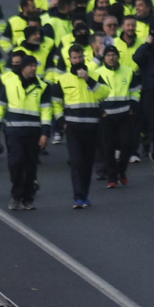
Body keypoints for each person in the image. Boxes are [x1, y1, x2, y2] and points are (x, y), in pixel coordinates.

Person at [0, 54, 50, 211]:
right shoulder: (9, 84)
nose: (34, 68)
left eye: (35, 66)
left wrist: (45, 133)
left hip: (33, 132)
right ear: (23, 67)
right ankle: (16, 195)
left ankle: (28, 199)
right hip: (14, 131)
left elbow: (46, 111)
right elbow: (0, 106)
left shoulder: (42, 86)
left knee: (30, 167)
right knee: (15, 163)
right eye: (31, 66)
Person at [58, 45, 108, 208]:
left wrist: (88, 79)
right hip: (73, 128)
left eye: (80, 57)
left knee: (87, 163)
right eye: (75, 58)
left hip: (92, 127)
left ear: (84, 58)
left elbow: (105, 93)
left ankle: (84, 194)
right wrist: (61, 122)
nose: (78, 60)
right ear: (70, 60)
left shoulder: (94, 75)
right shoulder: (63, 79)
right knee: (76, 161)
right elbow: (55, 102)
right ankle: (78, 197)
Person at [94, 46, 140, 189]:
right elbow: (93, 95)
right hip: (107, 116)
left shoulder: (128, 71)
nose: (111, 57)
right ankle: (112, 177)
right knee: (108, 147)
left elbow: (136, 91)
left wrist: (132, 107)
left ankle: (121, 170)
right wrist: (101, 112)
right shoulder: (97, 73)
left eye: (114, 54)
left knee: (127, 144)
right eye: (108, 55)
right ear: (104, 57)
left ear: (118, 56)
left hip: (125, 114)